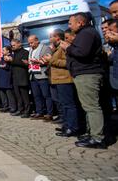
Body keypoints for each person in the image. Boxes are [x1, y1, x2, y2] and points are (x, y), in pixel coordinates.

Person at [60, 12, 106, 149]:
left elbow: (82, 52)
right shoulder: (85, 33)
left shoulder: (87, 34)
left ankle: (97, 138)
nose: (69, 25)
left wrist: (68, 47)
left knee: (91, 107)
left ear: (80, 22)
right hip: (83, 73)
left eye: (70, 22)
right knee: (87, 106)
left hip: (88, 74)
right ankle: (91, 132)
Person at [44, 29, 81, 137]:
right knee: (63, 104)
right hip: (58, 80)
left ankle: (73, 127)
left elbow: (68, 63)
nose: (50, 39)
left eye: (51, 37)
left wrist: (51, 60)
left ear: (57, 37)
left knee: (69, 104)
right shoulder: (56, 49)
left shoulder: (64, 47)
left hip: (65, 79)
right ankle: (66, 125)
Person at [27, 35, 54, 121]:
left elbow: (49, 61)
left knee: (46, 95)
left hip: (42, 75)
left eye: (31, 42)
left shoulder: (45, 48)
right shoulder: (31, 50)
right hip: (33, 75)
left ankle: (50, 113)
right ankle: (39, 112)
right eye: (29, 43)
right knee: (36, 95)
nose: (30, 45)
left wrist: (39, 62)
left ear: (37, 40)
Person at [6, 39, 31, 118]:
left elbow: (24, 63)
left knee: (25, 96)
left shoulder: (25, 52)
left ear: (19, 44)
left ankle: (27, 111)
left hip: (22, 77)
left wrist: (12, 60)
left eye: (13, 45)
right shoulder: (14, 53)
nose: (12, 47)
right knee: (18, 96)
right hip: (15, 78)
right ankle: (20, 110)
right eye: (11, 45)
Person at [0, 46, 17, 114]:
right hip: (1, 79)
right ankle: (5, 106)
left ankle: (12, 107)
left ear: (8, 51)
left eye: (3, 50)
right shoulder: (2, 58)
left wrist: (5, 66)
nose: (2, 51)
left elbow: (9, 67)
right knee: (3, 94)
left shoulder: (11, 57)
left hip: (7, 79)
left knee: (9, 94)